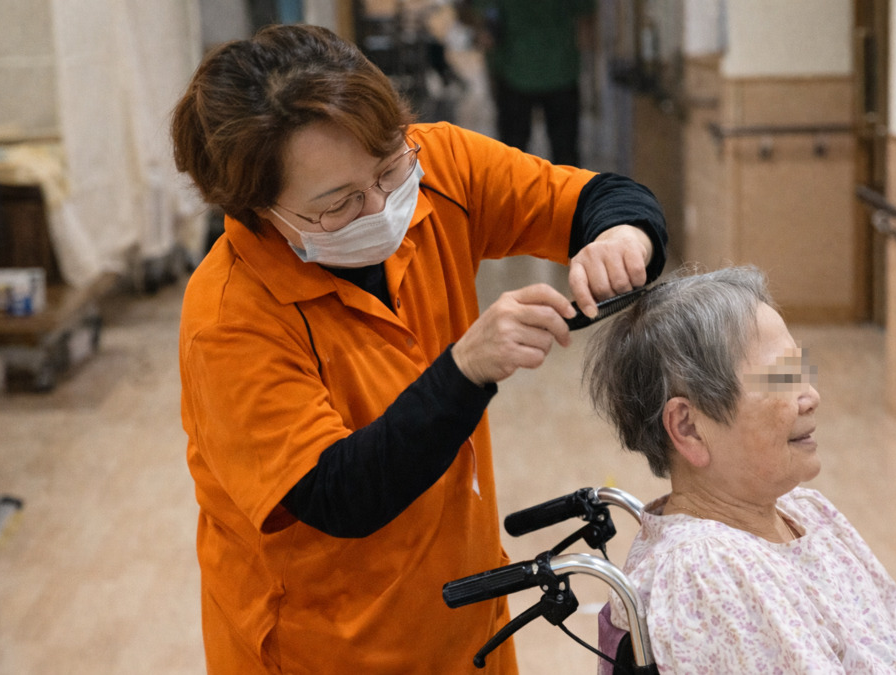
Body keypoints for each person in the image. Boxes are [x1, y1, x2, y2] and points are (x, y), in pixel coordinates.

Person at [171, 24, 667, 674]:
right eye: (339, 204)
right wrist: (464, 371)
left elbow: (597, 198)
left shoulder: (435, 167)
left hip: (467, 617)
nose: (383, 207)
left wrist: (622, 239)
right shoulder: (229, 315)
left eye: (387, 169)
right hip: (327, 650)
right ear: (258, 207)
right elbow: (339, 492)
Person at [583, 266, 896, 674]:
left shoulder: (806, 510)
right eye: (781, 377)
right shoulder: (706, 572)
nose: (812, 396)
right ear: (689, 427)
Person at [462, 0, 595, 166]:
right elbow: (586, 21)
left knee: (512, 156)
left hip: (515, 71)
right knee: (565, 154)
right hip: (560, 70)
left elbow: (484, 30)